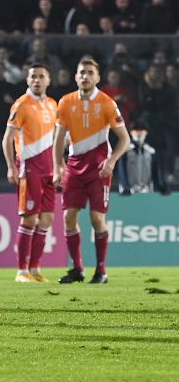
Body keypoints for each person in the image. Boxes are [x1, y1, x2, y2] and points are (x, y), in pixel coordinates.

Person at [53, 57, 131, 285]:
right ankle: (77, 269)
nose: (85, 76)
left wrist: (112, 161)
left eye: (89, 72)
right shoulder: (66, 102)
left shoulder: (107, 103)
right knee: (68, 218)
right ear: (76, 76)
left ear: (97, 78)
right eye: (81, 72)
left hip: (98, 168)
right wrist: (58, 165)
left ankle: (101, 270)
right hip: (74, 166)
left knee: (97, 219)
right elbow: (58, 139)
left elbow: (124, 139)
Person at [2, 63, 59, 283]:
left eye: (41, 76)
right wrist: (11, 166)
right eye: (33, 76)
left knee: (46, 220)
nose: (37, 80)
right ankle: (21, 271)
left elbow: (55, 138)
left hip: (49, 170)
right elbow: (7, 138)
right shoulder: (21, 105)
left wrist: (59, 164)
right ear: (27, 80)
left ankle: (35, 269)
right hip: (29, 168)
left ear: (48, 80)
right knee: (29, 219)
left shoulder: (53, 104)